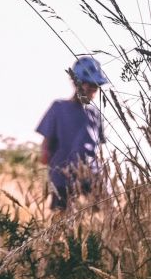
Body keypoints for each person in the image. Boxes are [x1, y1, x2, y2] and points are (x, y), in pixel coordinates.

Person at [36, 56, 108, 210]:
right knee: (62, 218)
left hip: (92, 175)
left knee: (105, 215)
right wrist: (50, 164)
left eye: (96, 86)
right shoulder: (58, 107)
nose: (92, 89)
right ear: (77, 83)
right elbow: (45, 148)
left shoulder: (95, 114)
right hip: (63, 177)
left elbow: (100, 149)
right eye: (88, 84)